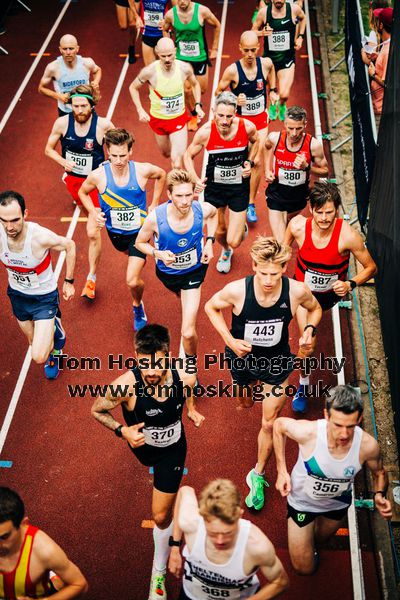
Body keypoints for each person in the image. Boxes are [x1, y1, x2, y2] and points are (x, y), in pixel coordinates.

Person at [205, 236, 322, 511]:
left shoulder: (295, 291)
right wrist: (230, 340)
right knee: (245, 403)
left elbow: (315, 309)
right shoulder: (237, 291)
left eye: (275, 273)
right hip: (242, 359)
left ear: (284, 268)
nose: (269, 280)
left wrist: (309, 330)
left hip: (277, 361)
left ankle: (257, 474)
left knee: (268, 422)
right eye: (263, 273)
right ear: (254, 266)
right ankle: (248, 392)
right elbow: (211, 307)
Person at [91, 324, 204, 600]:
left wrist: (191, 410)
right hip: (142, 449)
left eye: (157, 364)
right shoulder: (124, 386)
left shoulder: (185, 377)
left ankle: (158, 573)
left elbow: (189, 391)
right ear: (135, 356)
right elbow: (97, 409)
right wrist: (122, 431)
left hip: (172, 452)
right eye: (144, 365)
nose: (151, 372)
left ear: (168, 356)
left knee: (160, 516)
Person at [273, 384, 392, 575]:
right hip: (302, 503)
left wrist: (379, 494)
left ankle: (312, 545)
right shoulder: (309, 433)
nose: (344, 434)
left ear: (360, 419)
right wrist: (281, 469)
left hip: (336, 505)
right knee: (304, 568)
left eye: (351, 426)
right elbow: (278, 425)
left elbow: (379, 473)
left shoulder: (368, 446)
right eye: (338, 425)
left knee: (319, 540)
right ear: (326, 416)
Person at [284, 181, 377, 412]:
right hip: (304, 295)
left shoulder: (347, 235)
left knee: (306, 343)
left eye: (330, 212)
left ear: (337, 210)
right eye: (319, 212)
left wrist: (349, 284)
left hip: (330, 297)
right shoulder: (296, 226)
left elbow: (370, 267)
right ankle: (304, 384)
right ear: (311, 209)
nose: (325, 218)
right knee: (307, 345)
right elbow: (282, 253)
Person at [78, 128, 166, 330]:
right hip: (115, 235)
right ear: (108, 152)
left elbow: (161, 174)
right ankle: (135, 258)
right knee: (127, 255)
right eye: (114, 155)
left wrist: (154, 203)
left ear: (130, 152)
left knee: (132, 281)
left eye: (123, 155)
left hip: (139, 235)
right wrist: (93, 211)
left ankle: (137, 305)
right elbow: (82, 191)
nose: (118, 160)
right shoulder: (99, 175)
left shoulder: (142, 171)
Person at [135, 169, 217, 359]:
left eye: (189, 194)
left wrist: (210, 242)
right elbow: (139, 243)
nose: (185, 201)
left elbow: (214, 215)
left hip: (194, 272)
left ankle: (190, 364)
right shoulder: (156, 218)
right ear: (169, 194)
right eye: (179, 195)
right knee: (179, 294)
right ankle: (180, 293)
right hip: (168, 274)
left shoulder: (201, 209)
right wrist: (158, 253)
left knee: (187, 332)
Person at [45, 84, 115, 302]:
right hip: (74, 182)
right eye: (75, 106)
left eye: (84, 105)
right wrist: (62, 160)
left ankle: (91, 277)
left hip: (94, 184)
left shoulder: (103, 125)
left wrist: (109, 165)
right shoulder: (62, 123)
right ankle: (82, 204)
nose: (80, 110)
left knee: (93, 231)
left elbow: (118, 150)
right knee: (82, 207)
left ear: (92, 105)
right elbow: (48, 149)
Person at [168, 479, 289, 599]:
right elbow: (184, 491)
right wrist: (175, 548)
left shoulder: (257, 546)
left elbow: (280, 581)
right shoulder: (190, 522)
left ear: (239, 516)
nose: (220, 541)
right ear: (203, 517)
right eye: (213, 533)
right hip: (191, 596)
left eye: (227, 533)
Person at [0, 191, 75, 380]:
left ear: (25, 214)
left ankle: (54, 340)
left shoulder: (40, 237)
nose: (9, 227)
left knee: (38, 356)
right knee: (33, 341)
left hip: (44, 298)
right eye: (4, 220)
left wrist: (69, 281)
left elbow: (70, 245)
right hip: (17, 296)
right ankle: (50, 341)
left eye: (15, 220)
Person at [184, 91, 259, 274]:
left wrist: (250, 161)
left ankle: (238, 229)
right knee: (219, 231)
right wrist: (195, 180)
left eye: (229, 117)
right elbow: (188, 155)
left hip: (238, 186)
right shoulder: (205, 133)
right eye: (220, 116)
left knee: (235, 239)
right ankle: (226, 251)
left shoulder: (246, 126)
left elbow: (256, 141)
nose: (225, 121)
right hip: (215, 186)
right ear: (213, 111)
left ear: (235, 114)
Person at [216, 30, 278, 224]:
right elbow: (218, 93)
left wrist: (274, 91)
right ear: (240, 49)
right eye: (246, 51)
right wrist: (234, 99)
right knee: (240, 160)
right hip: (240, 121)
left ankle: (250, 202)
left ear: (258, 48)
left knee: (257, 160)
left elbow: (272, 74)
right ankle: (235, 194)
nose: (250, 54)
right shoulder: (232, 71)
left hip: (259, 120)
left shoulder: (266, 64)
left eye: (253, 50)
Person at [129, 37, 205, 169]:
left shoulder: (184, 68)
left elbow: (195, 84)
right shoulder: (149, 71)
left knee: (176, 162)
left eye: (170, 55)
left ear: (175, 51)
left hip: (178, 119)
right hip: (158, 120)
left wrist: (197, 105)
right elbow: (133, 87)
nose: (167, 59)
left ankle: (177, 188)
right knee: (166, 153)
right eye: (163, 56)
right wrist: (140, 110)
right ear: (157, 53)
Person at [0, 487, 88, 598]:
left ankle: (53, 581)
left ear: (23, 524)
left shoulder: (45, 551)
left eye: (4, 537)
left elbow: (79, 584)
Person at [264, 105, 329, 242]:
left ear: (305, 124)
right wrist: (266, 169)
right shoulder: (275, 138)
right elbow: (266, 147)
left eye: (298, 128)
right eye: (290, 128)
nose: (294, 133)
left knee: (287, 226)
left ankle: (282, 233)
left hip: (298, 198)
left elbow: (325, 171)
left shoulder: (313, 145)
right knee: (282, 243)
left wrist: (307, 167)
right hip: (276, 195)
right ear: (285, 124)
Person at [163, 0, 221, 131]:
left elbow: (217, 25)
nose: (182, 1)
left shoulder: (202, 11)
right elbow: (165, 29)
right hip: (181, 58)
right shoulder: (171, 14)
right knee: (187, 89)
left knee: (202, 89)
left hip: (199, 57)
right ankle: (194, 114)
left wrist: (215, 48)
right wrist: (169, 48)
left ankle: (197, 104)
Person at [252, 0, 306, 121]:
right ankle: (272, 105)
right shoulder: (263, 13)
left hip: (287, 58)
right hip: (269, 60)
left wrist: (301, 37)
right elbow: (252, 31)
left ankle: (281, 104)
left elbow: (303, 18)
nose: (278, 1)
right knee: (270, 89)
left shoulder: (293, 9)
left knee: (284, 94)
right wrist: (262, 32)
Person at [38, 34, 102, 116]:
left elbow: (97, 70)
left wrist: (96, 82)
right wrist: (59, 96)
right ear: (60, 49)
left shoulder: (87, 63)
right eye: (65, 49)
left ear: (77, 49)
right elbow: (41, 88)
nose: (68, 52)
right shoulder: (53, 67)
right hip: (66, 111)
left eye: (71, 48)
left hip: (87, 109)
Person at [364, 7, 393, 130]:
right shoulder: (388, 46)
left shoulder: (388, 51)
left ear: (381, 25)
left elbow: (389, 83)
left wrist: (373, 74)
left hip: (380, 110)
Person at [131, 0, 177, 66]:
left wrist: (167, 20)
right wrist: (136, 17)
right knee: (150, 69)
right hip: (147, 32)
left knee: (165, 68)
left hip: (163, 33)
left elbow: (176, 9)